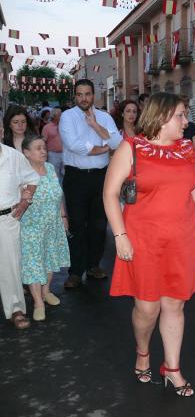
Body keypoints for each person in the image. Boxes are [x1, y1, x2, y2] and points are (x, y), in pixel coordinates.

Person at [103, 92, 195, 396]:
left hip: (182, 238)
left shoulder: (186, 149)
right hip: (142, 240)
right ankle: (143, 352)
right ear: (162, 116)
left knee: (175, 304)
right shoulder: (132, 148)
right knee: (147, 307)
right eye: (180, 115)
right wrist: (120, 235)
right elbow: (110, 194)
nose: (186, 122)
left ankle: (172, 368)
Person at [59, 79, 122, 288]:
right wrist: (103, 147)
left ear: (94, 95)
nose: (84, 98)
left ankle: (93, 265)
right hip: (76, 177)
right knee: (77, 224)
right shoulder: (67, 117)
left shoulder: (104, 117)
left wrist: (96, 126)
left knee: (98, 225)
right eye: (79, 94)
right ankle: (76, 271)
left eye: (87, 94)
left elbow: (117, 143)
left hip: (101, 177)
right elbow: (75, 145)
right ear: (75, 96)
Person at [20, 135, 70, 322]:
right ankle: (38, 302)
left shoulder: (49, 168)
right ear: (26, 152)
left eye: (44, 148)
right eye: (38, 148)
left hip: (53, 224)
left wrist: (63, 216)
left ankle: (46, 291)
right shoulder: (22, 173)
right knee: (33, 263)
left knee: (50, 257)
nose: (43, 151)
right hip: (31, 226)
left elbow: (58, 194)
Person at [0, 140, 39, 329]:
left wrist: (25, 201)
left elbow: (32, 179)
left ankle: (15, 310)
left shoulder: (14, 156)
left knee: (10, 267)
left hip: (7, 218)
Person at [41, 108, 64, 184]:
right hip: (53, 154)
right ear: (54, 116)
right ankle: (56, 191)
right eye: (59, 115)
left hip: (64, 153)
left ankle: (64, 191)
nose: (61, 116)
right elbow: (43, 141)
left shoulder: (64, 126)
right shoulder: (47, 127)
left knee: (64, 173)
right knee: (54, 174)